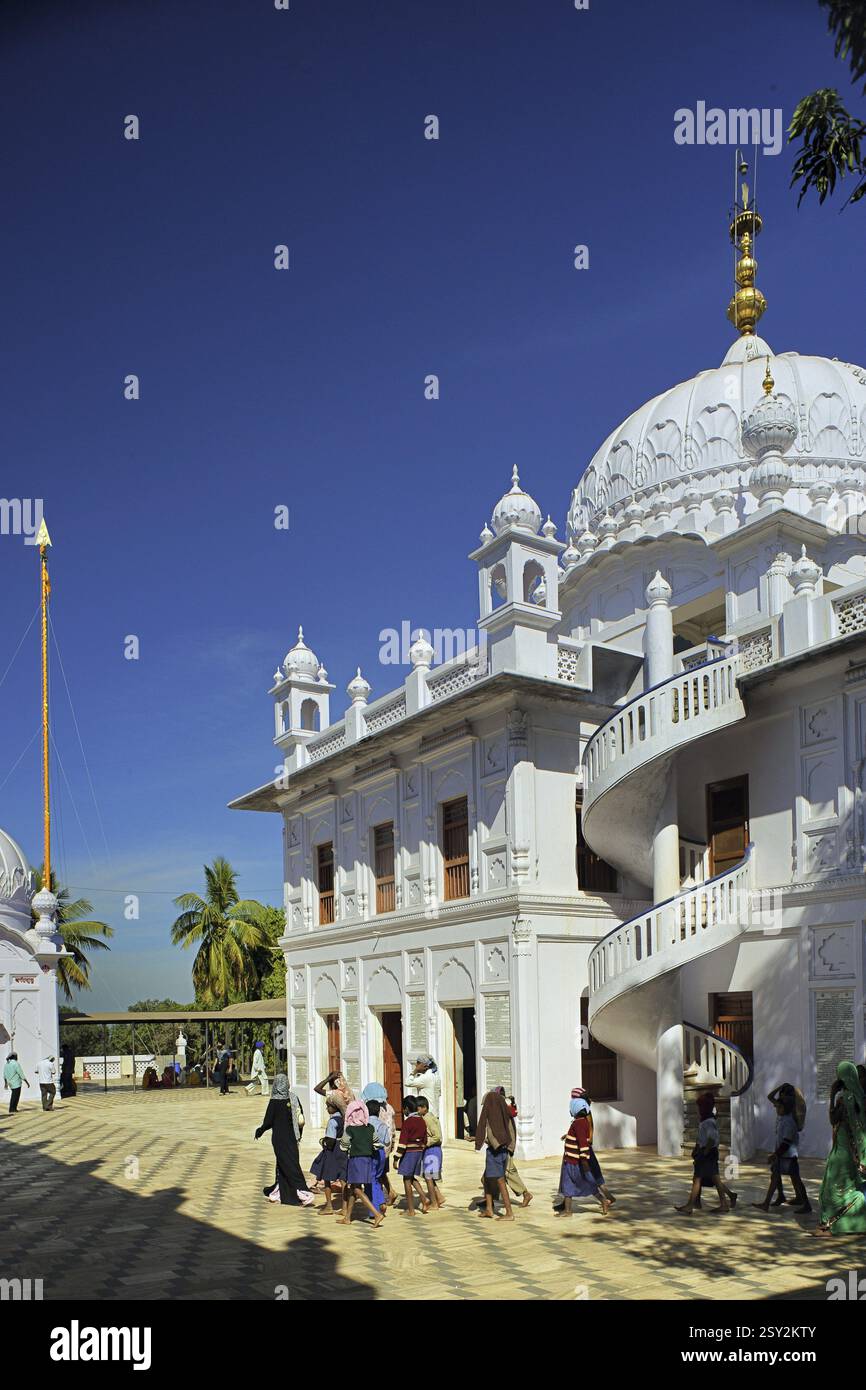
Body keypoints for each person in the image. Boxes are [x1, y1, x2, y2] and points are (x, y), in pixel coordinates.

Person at [816, 1060, 866, 1237]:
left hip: (846, 1153)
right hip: (845, 1150)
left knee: (833, 1191)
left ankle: (833, 1225)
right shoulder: (854, 1096)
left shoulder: (848, 1098)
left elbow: (834, 1120)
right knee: (841, 1189)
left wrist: (832, 1095)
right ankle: (835, 1224)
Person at [254, 1073, 315, 1206]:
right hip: (292, 1138)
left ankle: (300, 1192)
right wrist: (299, 1134)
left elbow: (268, 1121)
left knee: (288, 1165)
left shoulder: (274, 1101)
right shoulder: (294, 1098)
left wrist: (260, 1130)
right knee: (286, 1163)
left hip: (279, 1139)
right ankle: (280, 1192)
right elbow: (300, 1119)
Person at [753, 1085, 811, 1214]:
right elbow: (771, 1098)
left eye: (778, 1106)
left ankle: (806, 1204)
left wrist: (775, 1154)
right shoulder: (784, 1115)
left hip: (788, 1156)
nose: (776, 1108)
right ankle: (773, 1200)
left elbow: (786, 1142)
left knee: (795, 1180)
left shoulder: (789, 1121)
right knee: (776, 1176)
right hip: (783, 1154)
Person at [676, 1092, 735, 1215]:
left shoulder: (708, 1122)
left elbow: (712, 1139)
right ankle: (725, 1200)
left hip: (708, 1154)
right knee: (712, 1179)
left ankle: (691, 1205)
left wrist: (704, 1152)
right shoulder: (706, 1121)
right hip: (708, 1153)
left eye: (699, 1107)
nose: (698, 1109)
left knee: (698, 1178)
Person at [555, 1094, 612, 1218]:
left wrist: (584, 1161)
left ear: (574, 1110)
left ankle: (603, 1200)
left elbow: (583, 1142)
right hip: (570, 1160)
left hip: (575, 1162)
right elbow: (578, 1138)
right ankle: (568, 1211)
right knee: (568, 1185)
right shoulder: (580, 1122)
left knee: (587, 1184)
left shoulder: (579, 1124)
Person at [337, 1100, 384, 1227]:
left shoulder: (350, 1129)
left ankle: (377, 1214)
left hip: (356, 1161)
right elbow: (376, 1143)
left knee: (357, 1189)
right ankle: (347, 1218)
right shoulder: (370, 1128)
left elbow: (343, 1146)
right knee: (353, 1188)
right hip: (368, 1160)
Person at [475, 1089, 516, 1220]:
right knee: (487, 1179)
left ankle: (509, 1213)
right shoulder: (504, 1115)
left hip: (495, 1152)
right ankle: (489, 1209)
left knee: (500, 1181)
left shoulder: (492, 1118)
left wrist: (479, 1140)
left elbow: (488, 1133)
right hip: (503, 1151)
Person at [395, 1096, 430, 1216]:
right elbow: (425, 1139)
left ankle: (411, 1210)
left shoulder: (408, 1122)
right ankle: (424, 1198)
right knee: (411, 1177)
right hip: (419, 1151)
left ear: (406, 1109)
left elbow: (403, 1143)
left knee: (406, 1179)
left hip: (409, 1152)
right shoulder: (422, 1120)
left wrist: (396, 1158)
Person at [310, 1100, 347, 1213]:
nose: (327, 1109)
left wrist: (324, 1142)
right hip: (342, 1149)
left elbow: (330, 1140)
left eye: (328, 1106)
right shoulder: (343, 1119)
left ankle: (329, 1206)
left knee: (326, 1178)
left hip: (332, 1151)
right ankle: (345, 1208)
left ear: (334, 1107)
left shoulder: (332, 1122)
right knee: (343, 1179)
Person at [416, 1095, 446, 1209]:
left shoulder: (427, 1119)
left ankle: (434, 1203)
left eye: (418, 1108)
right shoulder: (429, 1117)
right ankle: (439, 1197)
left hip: (432, 1151)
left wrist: (425, 1143)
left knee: (428, 1178)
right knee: (429, 1176)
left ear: (424, 1107)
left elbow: (437, 1136)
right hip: (431, 1151)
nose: (417, 1110)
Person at [366, 1099, 394, 1214]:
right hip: (381, 1153)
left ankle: (374, 1209)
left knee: (370, 1180)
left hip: (371, 1153)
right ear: (379, 1112)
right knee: (377, 1179)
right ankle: (381, 1201)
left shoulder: (366, 1125)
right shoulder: (382, 1125)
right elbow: (387, 1141)